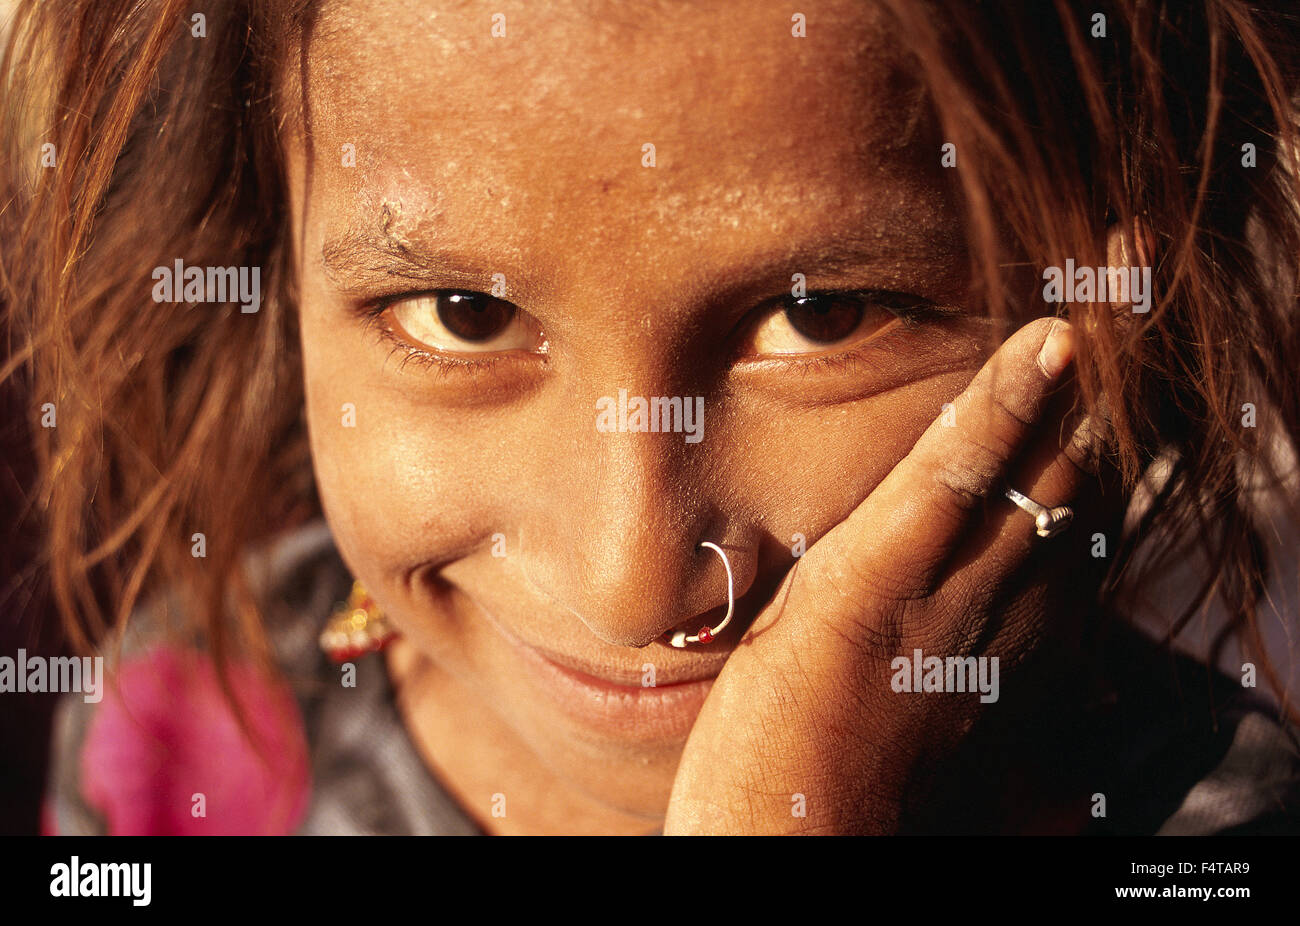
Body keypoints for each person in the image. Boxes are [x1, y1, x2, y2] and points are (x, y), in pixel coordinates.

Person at [3, 0, 1298, 835]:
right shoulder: (181, 725)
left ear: (1124, 308)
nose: (630, 581)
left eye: (827, 315)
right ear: (275, 264)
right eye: (460, 312)